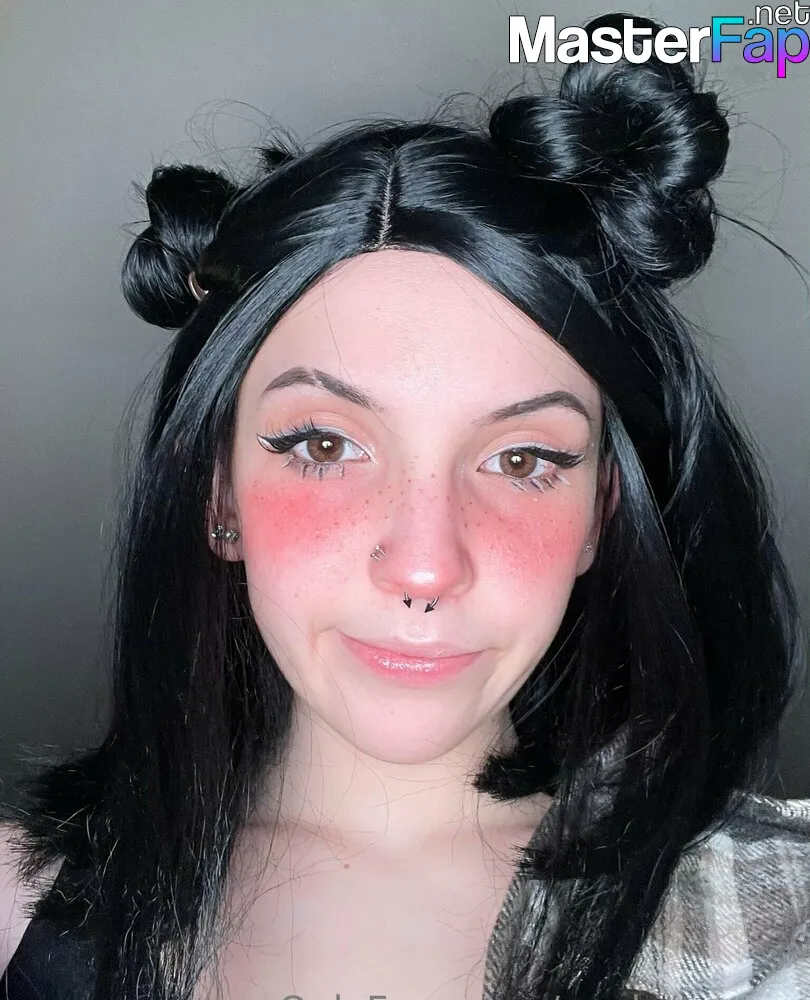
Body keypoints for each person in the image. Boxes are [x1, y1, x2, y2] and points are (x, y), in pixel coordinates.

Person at [1, 11, 809, 1000]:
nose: (426, 564)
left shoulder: (781, 918)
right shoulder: (15, 902)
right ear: (220, 493)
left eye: (522, 458)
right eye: (324, 445)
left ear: (600, 512)